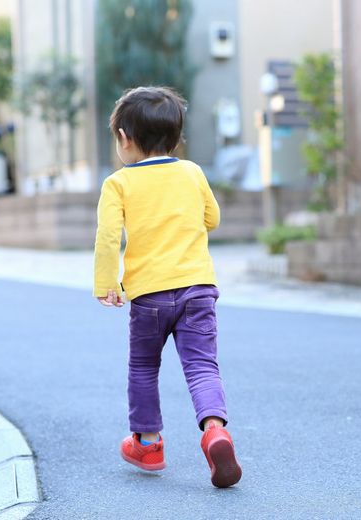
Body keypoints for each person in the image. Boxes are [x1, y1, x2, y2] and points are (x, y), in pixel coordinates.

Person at [93, 86, 241, 488]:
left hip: (149, 296)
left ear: (124, 139)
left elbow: (108, 237)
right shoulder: (192, 172)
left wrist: (106, 283)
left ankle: (148, 442)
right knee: (201, 366)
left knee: (144, 366)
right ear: (176, 139)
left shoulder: (118, 184)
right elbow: (212, 219)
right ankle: (215, 430)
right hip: (197, 289)